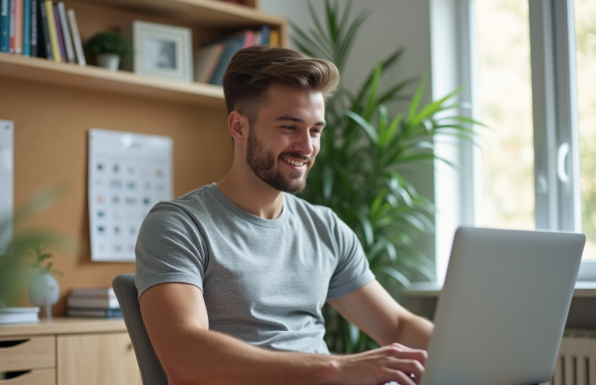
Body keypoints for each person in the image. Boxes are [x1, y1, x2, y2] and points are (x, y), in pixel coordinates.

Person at [135, 46, 434, 385]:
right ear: (239, 127)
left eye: (316, 130)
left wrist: (470, 355)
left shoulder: (325, 228)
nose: (307, 148)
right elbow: (185, 357)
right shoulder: (179, 225)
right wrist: (337, 369)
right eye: (290, 127)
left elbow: (396, 326)